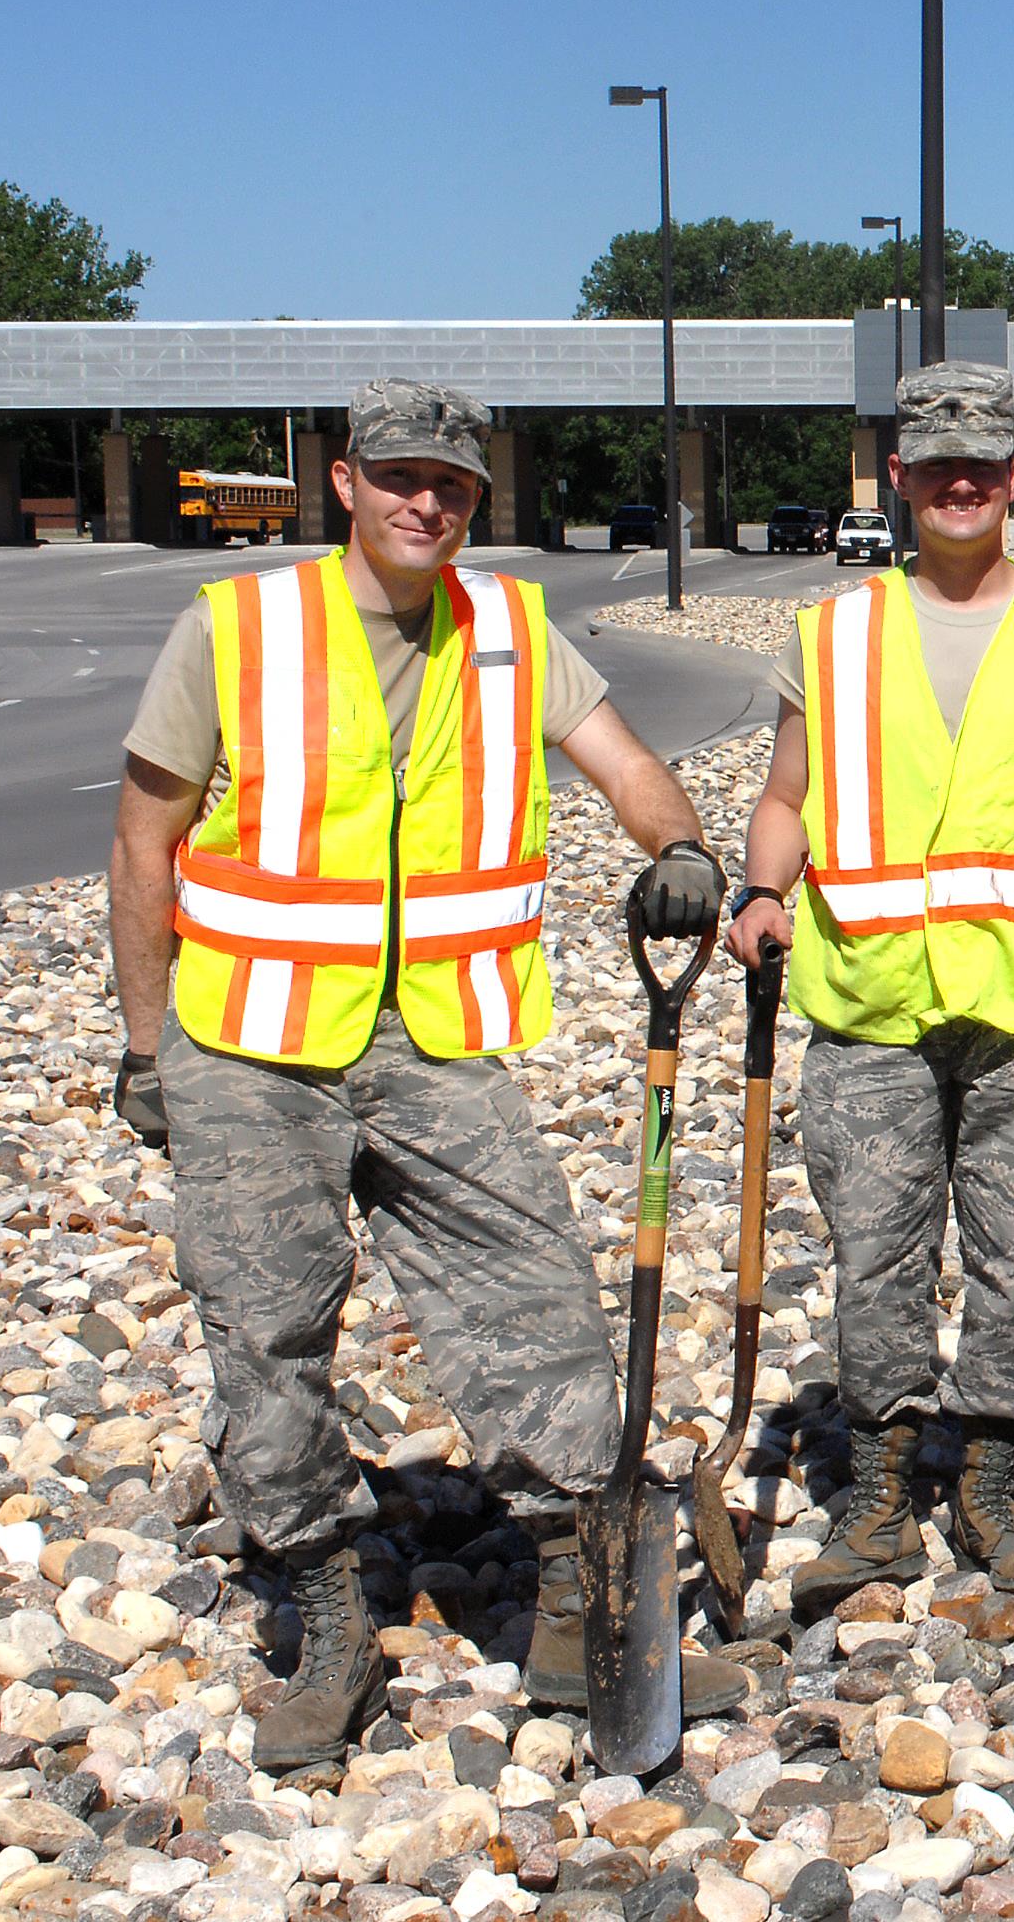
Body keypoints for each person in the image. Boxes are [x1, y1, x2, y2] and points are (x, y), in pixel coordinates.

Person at [106, 379, 743, 1769]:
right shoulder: (239, 629)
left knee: (535, 1293)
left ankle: (579, 1580)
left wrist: (682, 851)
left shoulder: (510, 632)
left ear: (475, 497)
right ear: (345, 482)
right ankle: (327, 1603)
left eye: (450, 484)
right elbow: (143, 843)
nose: (426, 503)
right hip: (250, 1044)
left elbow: (628, 765)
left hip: (436, 1038)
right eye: (399, 477)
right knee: (264, 1329)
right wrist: (147, 1048)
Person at [725, 359, 1014, 1615]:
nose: (959, 484)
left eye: (982, 466)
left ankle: (993, 1483)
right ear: (898, 476)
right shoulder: (832, 635)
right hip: (869, 1005)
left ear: (1012, 478)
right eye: (934, 463)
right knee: (879, 1256)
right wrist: (761, 889)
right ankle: (884, 1491)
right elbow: (786, 796)